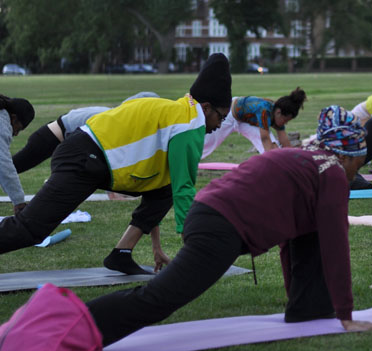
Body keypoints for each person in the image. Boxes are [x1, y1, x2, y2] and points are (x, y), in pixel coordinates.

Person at [85, 106, 372, 347]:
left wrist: (297, 304)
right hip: (219, 225)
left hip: (211, 212)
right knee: (161, 297)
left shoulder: (308, 162)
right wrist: (346, 316)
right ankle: (78, 325)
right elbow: (337, 245)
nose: (356, 172)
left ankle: (308, 311)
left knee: (311, 237)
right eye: (359, 162)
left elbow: (296, 241)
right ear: (345, 155)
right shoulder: (332, 172)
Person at [0, 54, 232, 276]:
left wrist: (156, 248)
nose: (220, 125)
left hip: (95, 161)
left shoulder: (182, 112)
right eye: (221, 117)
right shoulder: (191, 123)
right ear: (206, 107)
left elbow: (165, 186)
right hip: (83, 159)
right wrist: (192, 248)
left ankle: (121, 252)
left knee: (164, 189)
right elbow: (185, 188)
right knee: (30, 230)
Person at [11, 92, 159, 175]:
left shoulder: (113, 116)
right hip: (50, 138)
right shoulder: (111, 119)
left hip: (57, 137)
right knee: (13, 167)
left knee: (13, 167)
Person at [202, 88, 308, 158]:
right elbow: (265, 138)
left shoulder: (277, 112)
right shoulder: (264, 110)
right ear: (279, 112)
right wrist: (272, 158)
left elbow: (284, 139)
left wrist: (295, 158)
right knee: (207, 144)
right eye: (285, 121)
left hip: (245, 121)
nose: (285, 124)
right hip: (230, 116)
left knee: (274, 147)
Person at [0, 96, 36, 214]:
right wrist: (19, 201)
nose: (15, 134)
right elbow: (4, 165)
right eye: (18, 129)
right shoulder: (2, 125)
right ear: (13, 118)